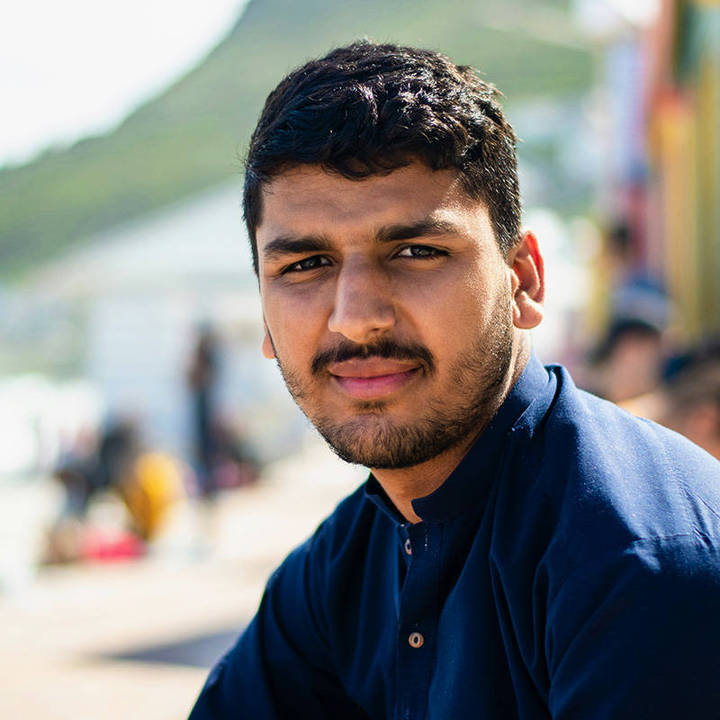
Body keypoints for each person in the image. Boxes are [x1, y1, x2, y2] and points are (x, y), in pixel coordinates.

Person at [189, 42, 720, 719]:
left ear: (522, 279)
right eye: (306, 265)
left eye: (416, 251)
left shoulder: (637, 558)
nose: (356, 318)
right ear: (265, 316)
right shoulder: (344, 564)